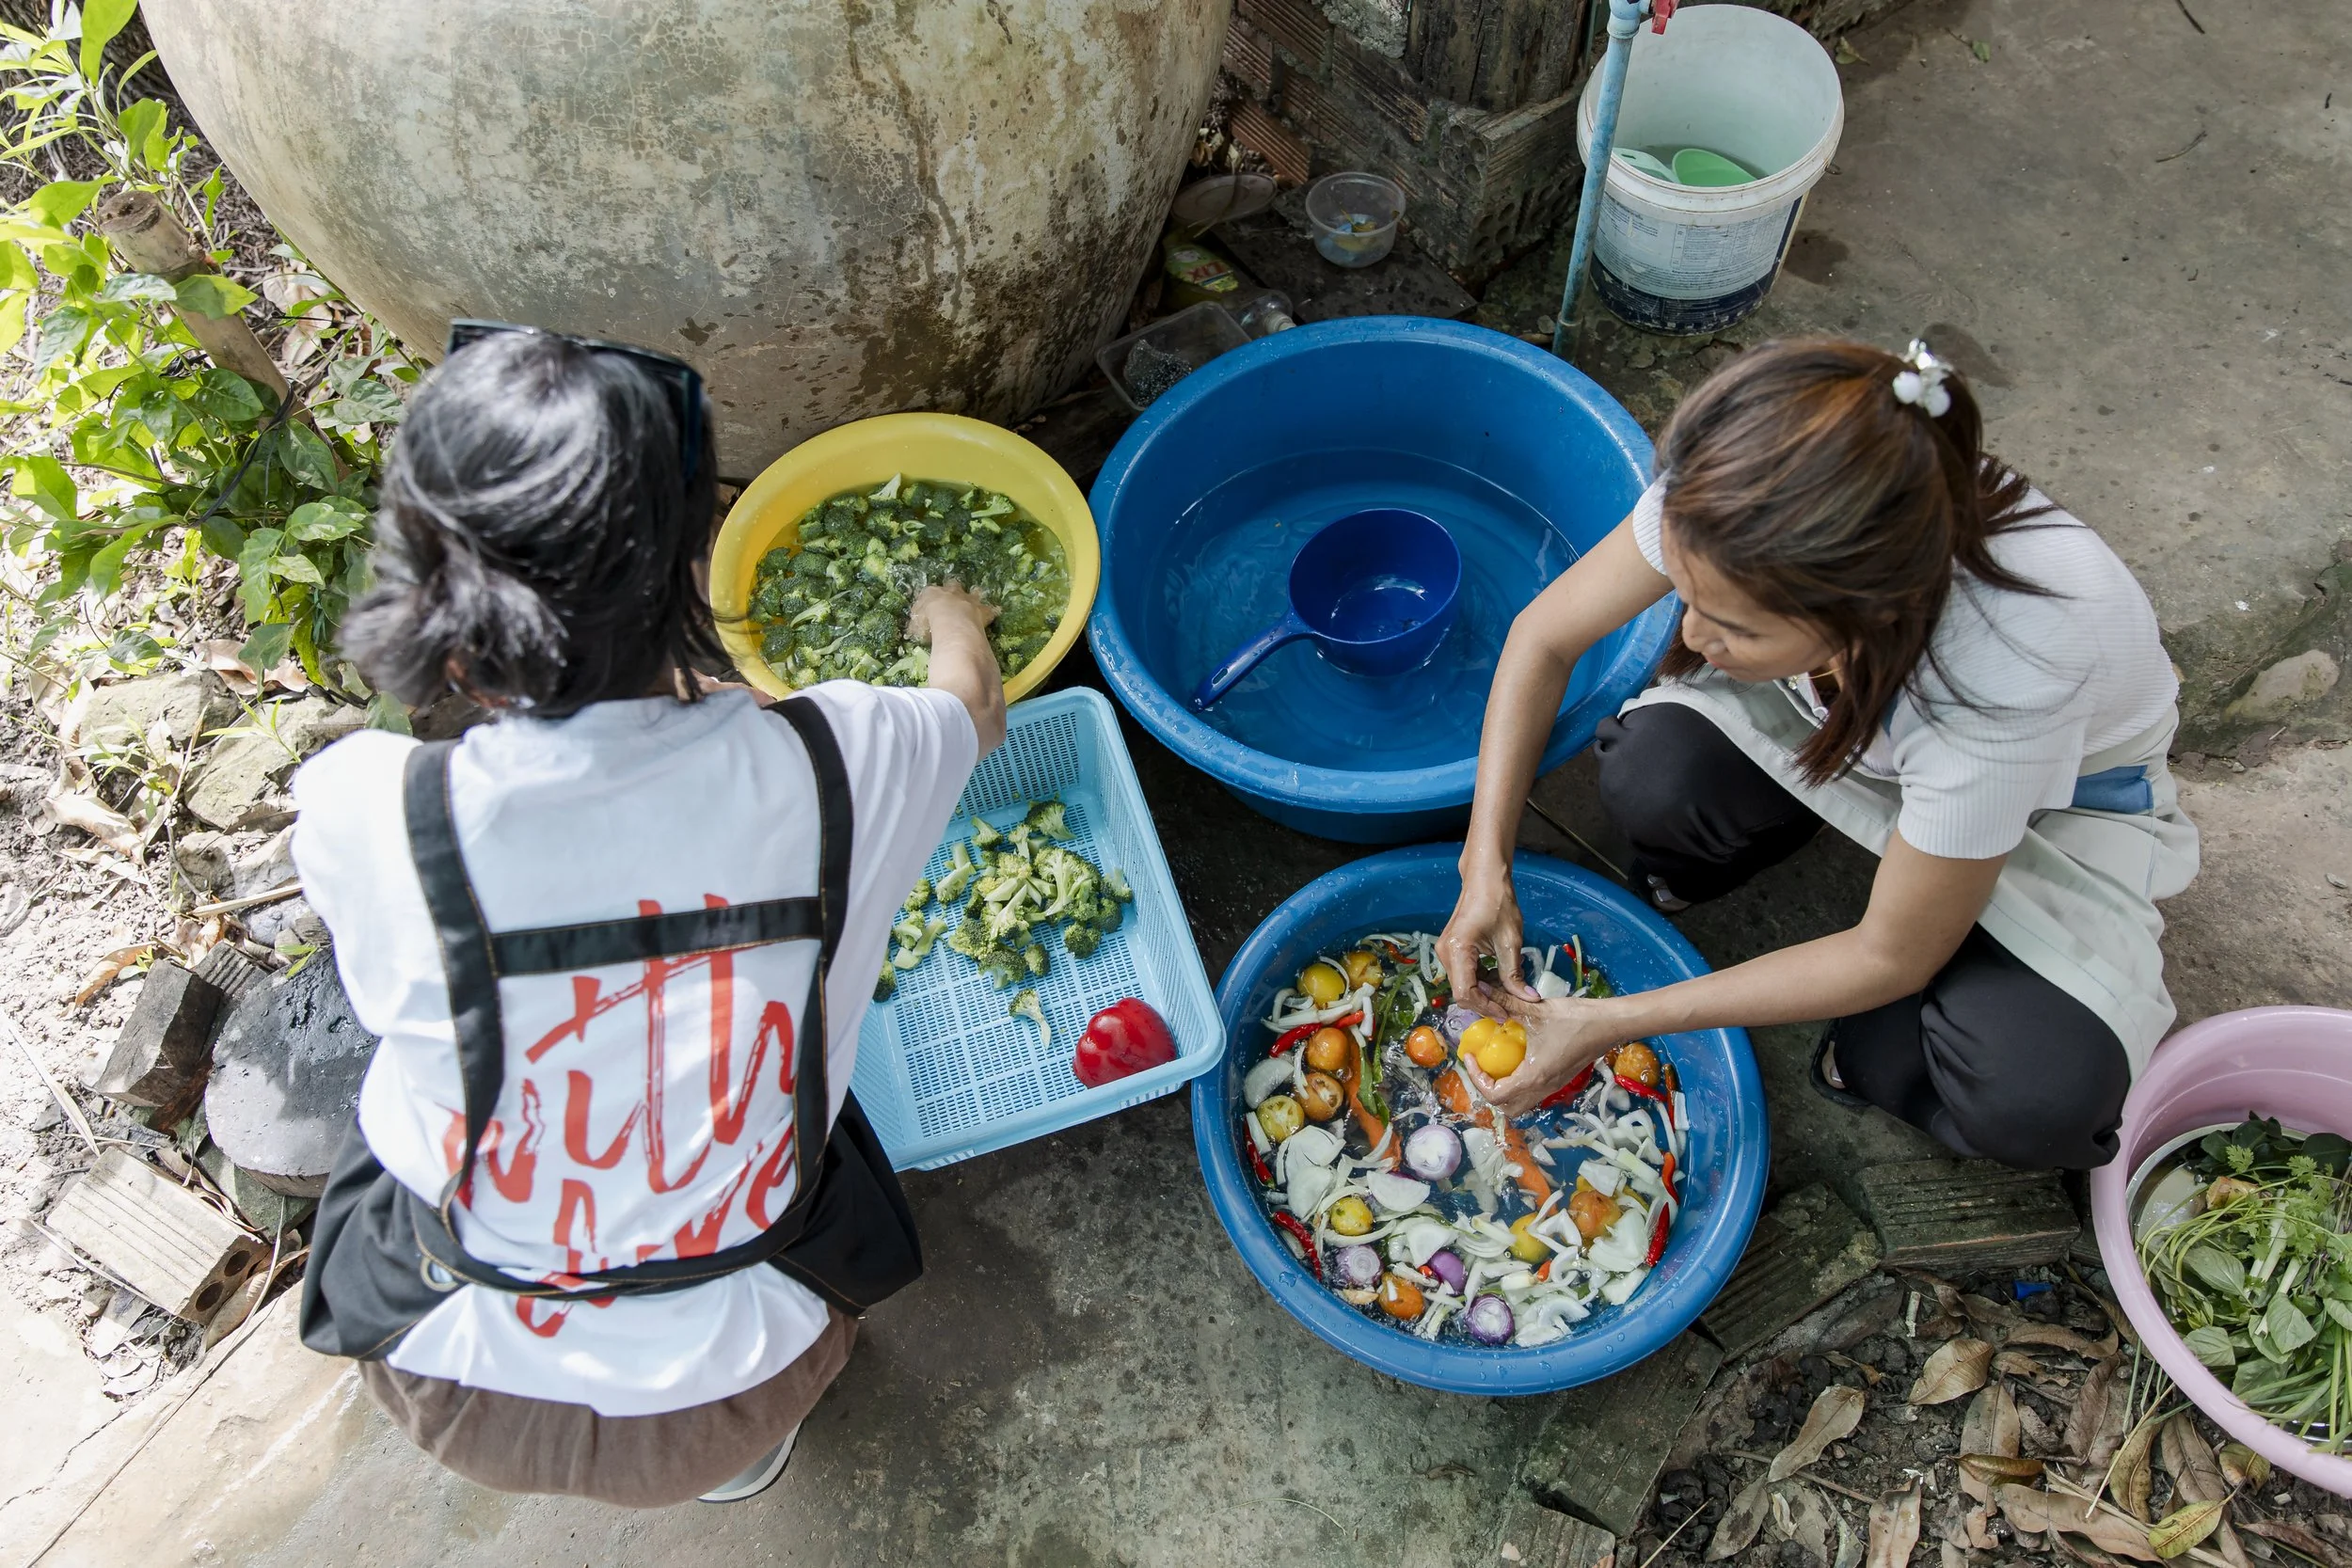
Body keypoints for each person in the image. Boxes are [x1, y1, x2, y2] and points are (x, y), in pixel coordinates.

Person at [291, 323, 1005, 1506]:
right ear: (696, 566)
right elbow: (968, 701)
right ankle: (743, 1456)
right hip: (734, 1377)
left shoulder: (367, 807)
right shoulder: (842, 759)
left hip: (450, 1370)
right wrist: (950, 611)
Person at [1438, 338, 2196, 1171]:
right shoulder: (1738, 490)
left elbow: (1891, 953)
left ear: (1864, 613)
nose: (1690, 635)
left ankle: (1886, 1045)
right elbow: (1543, 637)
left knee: (2035, 1093)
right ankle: (1756, 845)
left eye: (1736, 626)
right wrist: (1486, 864)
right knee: (1655, 774)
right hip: (1863, 712)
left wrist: (1611, 1022)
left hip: (2052, 805)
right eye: (1688, 596)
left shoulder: (2004, 679)